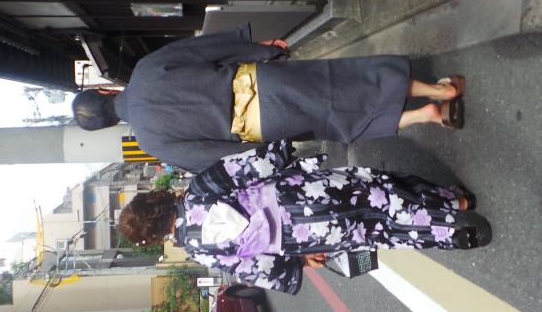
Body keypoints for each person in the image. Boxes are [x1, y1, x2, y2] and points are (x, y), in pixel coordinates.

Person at [73, 24, 464, 172]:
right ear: (104, 90)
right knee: (345, 80)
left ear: (109, 124)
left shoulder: (149, 142)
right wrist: (262, 49)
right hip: (261, 82)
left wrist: (271, 155)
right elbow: (205, 51)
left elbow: (213, 158)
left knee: (338, 123)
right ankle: (438, 90)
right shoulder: (145, 70)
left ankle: (424, 116)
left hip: (263, 125)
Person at [119, 141, 491, 294]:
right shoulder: (200, 189)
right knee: (376, 189)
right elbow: (252, 165)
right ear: (158, 200)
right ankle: (451, 205)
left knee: (376, 231)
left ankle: (448, 237)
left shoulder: (201, 251)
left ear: (155, 235)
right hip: (298, 196)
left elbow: (256, 270)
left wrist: (300, 261)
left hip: (304, 238)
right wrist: (283, 147)